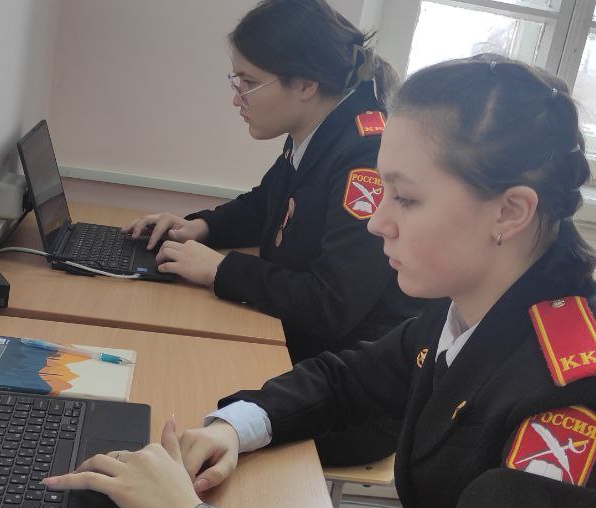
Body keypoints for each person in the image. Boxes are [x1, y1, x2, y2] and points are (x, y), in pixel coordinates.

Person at [48, 54, 596, 508]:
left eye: (405, 198)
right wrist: (232, 427)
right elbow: (346, 380)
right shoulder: (474, 307)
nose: (378, 221)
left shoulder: (587, 393)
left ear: (509, 212)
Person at [123, 0, 422, 467]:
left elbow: (332, 304)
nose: (236, 97)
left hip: (347, 397)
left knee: (173, 401)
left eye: (248, 82)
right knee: (171, 373)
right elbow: (270, 201)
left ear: (305, 83)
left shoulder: (365, 156)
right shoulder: (323, 124)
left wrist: (221, 270)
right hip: (302, 353)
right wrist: (202, 225)